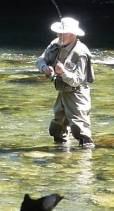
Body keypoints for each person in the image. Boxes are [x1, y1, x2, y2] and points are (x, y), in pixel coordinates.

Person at [36, 17, 95, 148]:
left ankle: (84, 161)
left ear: (72, 34)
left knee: (81, 131)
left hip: (77, 95)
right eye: (58, 32)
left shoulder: (81, 52)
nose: (58, 35)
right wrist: (44, 67)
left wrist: (63, 72)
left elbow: (77, 81)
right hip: (62, 92)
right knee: (57, 128)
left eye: (62, 33)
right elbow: (40, 60)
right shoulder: (55, 43)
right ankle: (60, 158)